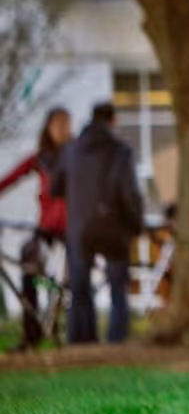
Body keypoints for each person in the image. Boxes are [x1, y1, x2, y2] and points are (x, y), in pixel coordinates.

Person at [51, 101, 144, 344]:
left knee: (79, 288)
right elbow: (129, 193)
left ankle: (82, 341)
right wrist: (136, 225)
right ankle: (117, 342)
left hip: (80, 229)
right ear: (112, 121)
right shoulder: (121, 151)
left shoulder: (71, 150)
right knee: (117, 287)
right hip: (114, 228)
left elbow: (55, 187)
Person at [0, 107, 72, 345]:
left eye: (67, 124)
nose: (64, 130)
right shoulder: (41, 158)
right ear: (48, 128)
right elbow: (13, 176)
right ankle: (31, 332)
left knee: (67, 281)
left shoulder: (77, 154)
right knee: (29, 267)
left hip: (72, 230)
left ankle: (69, 331)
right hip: (46, 229)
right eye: (59, 124)